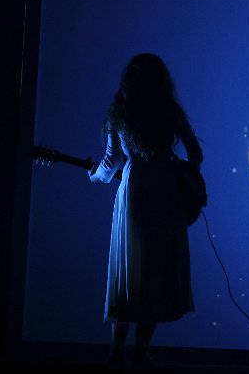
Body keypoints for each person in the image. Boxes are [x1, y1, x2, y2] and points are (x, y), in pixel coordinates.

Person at [89, 53, 203, 367]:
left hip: (135, 191)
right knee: (156, 269)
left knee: (131, 268)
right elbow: (196, 156)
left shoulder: (120, 111)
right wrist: (173, 166)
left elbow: (110, 164)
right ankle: (141, 351)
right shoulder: (169, 110)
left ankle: (116, 352)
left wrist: (94, 175)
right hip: (166, 193)